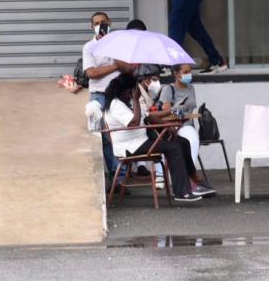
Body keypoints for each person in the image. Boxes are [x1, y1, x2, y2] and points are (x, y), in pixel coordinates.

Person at [102, 72, 214, 202]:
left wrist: (169, 125)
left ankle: (196, 181)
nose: (137, 92)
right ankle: (182, 192)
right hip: (130, 147)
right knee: (174, 148)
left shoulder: (126, 103)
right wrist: (135, 100)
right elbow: (134, 123)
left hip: (140, 141)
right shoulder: (116, 105)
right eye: (134, 90)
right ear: (128, 91)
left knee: (182, 142)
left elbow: (149, 116)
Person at [83, 12, 121, 182]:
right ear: (92, 27)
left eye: (103, 22)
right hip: (99, 95)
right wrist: (114, 66)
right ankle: (114, 176)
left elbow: (126, 66)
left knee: (118, 134)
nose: (100, 25)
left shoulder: (117, 44)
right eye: (97, 23)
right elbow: (91, 73)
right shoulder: (89, 47)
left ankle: (120, 177)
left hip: (118, 94)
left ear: (109, 23)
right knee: (104, 137)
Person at [159, 64, 199, 165]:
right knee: (191, 141)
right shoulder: (168, 89)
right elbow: (166, 113)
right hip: (174, 125)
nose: (189, 74)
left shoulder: (191, 88)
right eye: (185, 72)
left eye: (190, 71)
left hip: (188, 124)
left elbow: (191, 107)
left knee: (193, 141)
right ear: (176, 74)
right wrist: (180, 112)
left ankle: (190, 172)